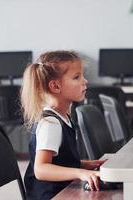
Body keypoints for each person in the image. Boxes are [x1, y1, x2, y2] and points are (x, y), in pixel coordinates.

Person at [21, 50, 105, 200]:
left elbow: (60, 161)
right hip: (50, 196)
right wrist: (80, 173)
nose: (84, 81)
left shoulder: (63, 116)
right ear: (55, 86)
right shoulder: (51, 123)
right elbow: (41, 169)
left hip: (61, 191)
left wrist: (86, 165)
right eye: (77, 77)